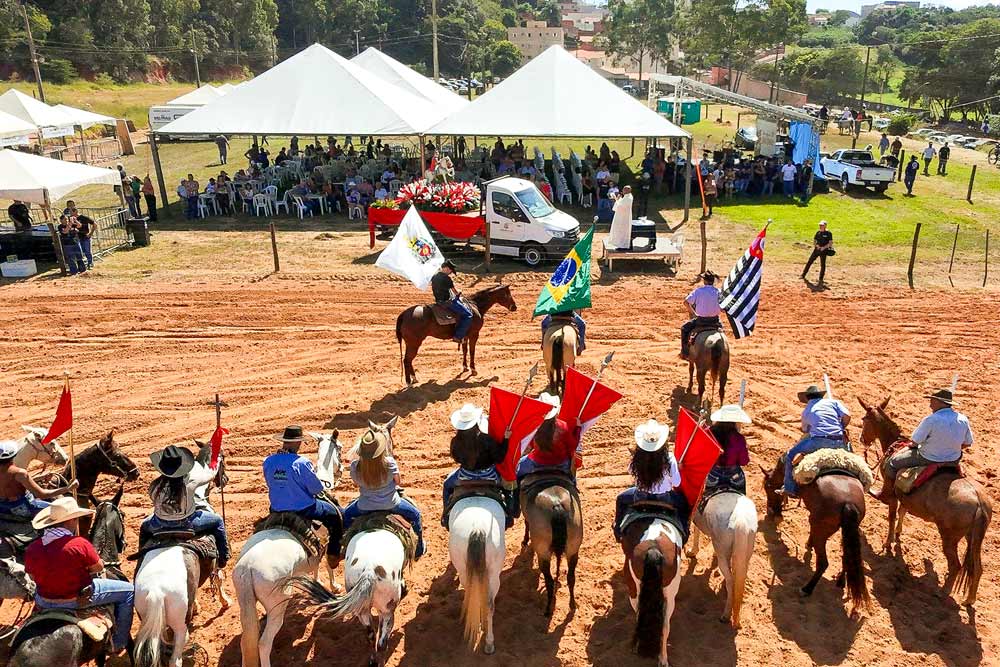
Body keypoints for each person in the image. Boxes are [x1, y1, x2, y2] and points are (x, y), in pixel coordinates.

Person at [24, 496, 135, 654]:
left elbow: (33, 577)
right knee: (129, 591)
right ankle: (119, 642)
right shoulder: (79, 544)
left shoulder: (33, 547)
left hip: (45, 601)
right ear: (71, 521)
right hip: (76, 599)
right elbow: (97, 568)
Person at [263, 426, 344, 569]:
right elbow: (316, 489)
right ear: (297, 443)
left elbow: (270, 482)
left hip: (276, 508)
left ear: (284, 441)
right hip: (304, 509)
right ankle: (332, 554)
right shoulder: (302, 463)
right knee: (337, 515)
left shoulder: (268, 461)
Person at [138, 445, 229, 567]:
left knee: (144, 527)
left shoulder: (154, 486)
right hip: (187, 524)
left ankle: (141, 559)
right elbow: (210, 474)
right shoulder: (191, 481)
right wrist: (216, 458)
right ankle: (223, 557)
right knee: (218, 521)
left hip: (158, 524)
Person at [341, 428, 424, 559]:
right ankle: (418, 550)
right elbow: (398, 482)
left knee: (345, 517)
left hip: (364, 506)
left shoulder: (355, 466)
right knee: (415, 515)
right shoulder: (389, 463)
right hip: (391, 504)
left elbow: (356, 483)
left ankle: (343, 548)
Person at [876, 388, 973, 497]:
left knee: (892, 463)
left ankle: (886, 494)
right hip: (953, 460)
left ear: (939, 402)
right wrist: (950, 449)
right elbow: (967, 443)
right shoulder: (963, 419)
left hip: (928, 457)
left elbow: (915, 442)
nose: (930, 405)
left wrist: (915, 446)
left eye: (932, 401)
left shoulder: (931, 420)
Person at [613, 420, 687, 542]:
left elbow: (631, 471)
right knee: (684, 504)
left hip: (640, 497)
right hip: (665, 499)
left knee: (621, 499)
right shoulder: (669, 459)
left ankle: (618, 530)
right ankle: (684, 531)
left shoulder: (637, 457)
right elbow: (677, 483)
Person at [441, 404, 511, 527]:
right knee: (508, 485)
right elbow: (499, 458)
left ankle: (446, 515)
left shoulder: (456, 441)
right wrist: (506, 440)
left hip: (465, 475)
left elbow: (456, 458)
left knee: (447, 484)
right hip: (490, 475)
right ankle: (510, 513)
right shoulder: (487, 439)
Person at [779, 384, 851, 498]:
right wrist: (841, 427)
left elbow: (805, 430)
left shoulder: (807, 411)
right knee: (850, 455)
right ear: (821, 396)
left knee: (790, 455)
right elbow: (847, 416)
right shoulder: (833, 402)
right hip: (838, 441)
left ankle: (790, 488)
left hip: (818, 441)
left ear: (807, 398)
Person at [0, 441, 78, 519]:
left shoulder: (19, 474)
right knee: (64, 511)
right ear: (14, 456)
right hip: (25, 507)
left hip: (3, 506)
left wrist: (39, 478)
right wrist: (67, 488)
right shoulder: (20, 473)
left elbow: (12, 484)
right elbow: (41, 494)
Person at [706, 404, 751, 490]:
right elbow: (744, 461)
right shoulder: (739, 438)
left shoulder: (709, 433)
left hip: (713, 474)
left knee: (704, 497)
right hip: (734, 476)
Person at [680, 270, 721, 359]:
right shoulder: (719, 292)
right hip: (715, 321)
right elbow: (724, 308)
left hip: (701, 321)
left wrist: (694, 314)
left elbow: (686, 302)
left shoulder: (698, 291)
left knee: (684, 329)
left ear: (705, 281)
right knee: (722, 331)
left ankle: (685, 353)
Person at [431, 260, 473, 343]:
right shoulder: (447, 278)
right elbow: (454, 292)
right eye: (450, 270)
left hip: (438, 301)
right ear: (446, 268)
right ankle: (458, 336)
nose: (450, 273)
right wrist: (459, 293)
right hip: (447, 302)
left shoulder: (434, 277)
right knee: (468, 315)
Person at [608, 185, 633, 249]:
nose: (623, 191)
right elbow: (621, 203)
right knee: (620, 231)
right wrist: (618, 199)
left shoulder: (628, 198)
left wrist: (616, 199)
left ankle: (623, 246)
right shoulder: (627, 197)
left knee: (622, 231)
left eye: (624, 190)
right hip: (622, 216)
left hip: (623, 218)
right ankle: (620, 244)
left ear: (627, 191)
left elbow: (620, 207)